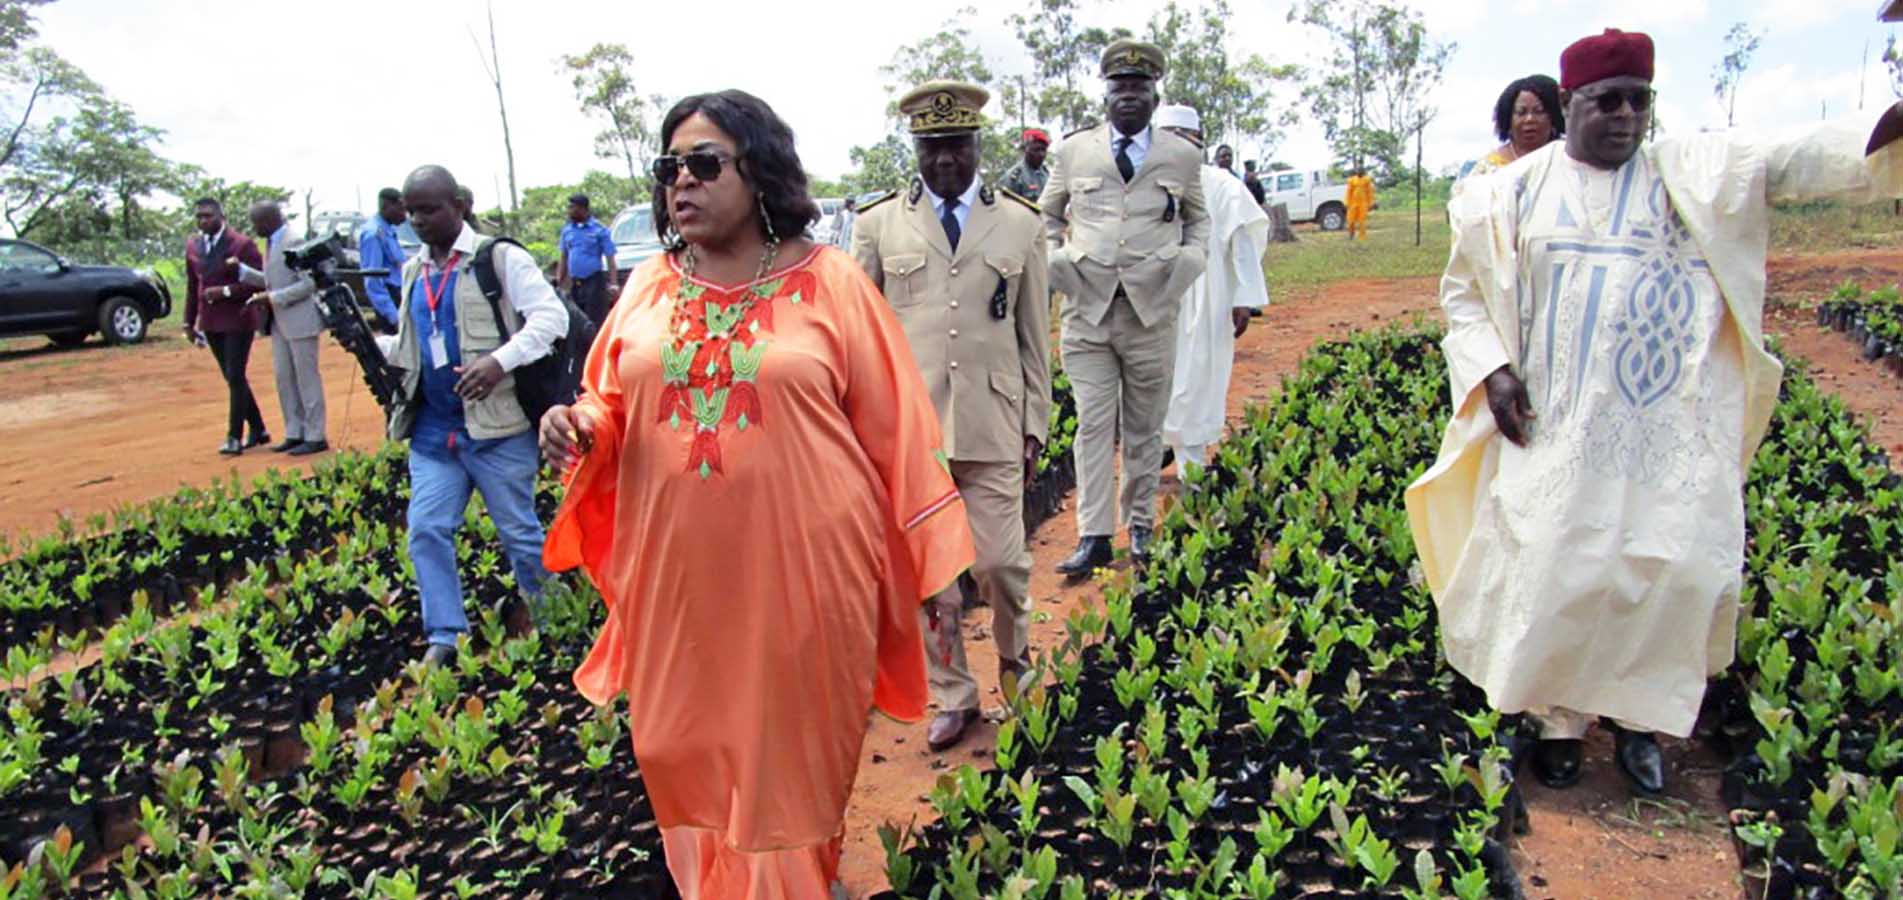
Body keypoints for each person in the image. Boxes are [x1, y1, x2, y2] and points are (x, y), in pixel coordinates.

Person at [1406, 28, 1903, 796]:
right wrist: (1492, 371)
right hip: (1555, 423)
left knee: (1665, 567)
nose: (1626, 118)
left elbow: (1795, 158)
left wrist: (1889, 122)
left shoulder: (1694, 173)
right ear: (1570, 103)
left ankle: (1639, 726)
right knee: (1552, 566)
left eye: (1640, 101)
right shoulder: (1506, 192)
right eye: (1607, 102)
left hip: (1670, 425)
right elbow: (1464, 294)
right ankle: (1558, 722)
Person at [538, 89, 973, 898]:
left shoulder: (832, 281)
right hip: (676, 583)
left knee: (783, 765)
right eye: (670, 168)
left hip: (804, 577)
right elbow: (611, 396)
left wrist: (933, 567)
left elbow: (900, 432)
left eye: (704, 164)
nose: (682, 184)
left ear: (760, 172)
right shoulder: (648, 285)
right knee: (672, 748)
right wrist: (580, 422)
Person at [850, 80, 1052, 754]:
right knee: (932, 581)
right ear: (916, 148)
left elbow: (1033, 338)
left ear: (976, 147)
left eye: (956, 146)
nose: (944, 161)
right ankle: (953, 695)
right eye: (931, 147)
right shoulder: (877, 225)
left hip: (994, 423)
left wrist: (1035, 425)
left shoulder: (1021, 224)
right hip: (911, 435)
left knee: (1000, 565)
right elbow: (860, 338)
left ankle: (1016, 673)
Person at [386, 164, 566, 667]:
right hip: (434, 434)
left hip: (497, 430)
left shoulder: (498, 259)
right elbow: (413, 344)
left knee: (520, 533)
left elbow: (551, 318)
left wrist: (497, 361)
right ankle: (445, 635)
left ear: (458, 206)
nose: (419, 220)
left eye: (430, 209)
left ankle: (557, 623)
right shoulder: (413, 271)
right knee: (425, 529)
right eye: (412, 211)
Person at [1040, 39, 1208, 575]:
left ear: (1155, 97)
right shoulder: (1073, 151)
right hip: (1086, 310)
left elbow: (1198, 221)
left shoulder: (1181, 155)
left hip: (1151, 310)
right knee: (1091, 424)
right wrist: (1058, 264)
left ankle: (1138, 526)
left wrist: (1187, 263)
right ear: (1106, 94)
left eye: (1140, 87)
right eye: (1120, 88)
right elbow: (1046, 216)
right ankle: (1092, 536)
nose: (1129, 96)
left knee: (1143, 426)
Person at [1155, 105, 1268, 471]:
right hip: (1155, 300)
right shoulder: (1143, 185)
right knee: (1154, 381)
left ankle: (1192, 469)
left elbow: (1243, 242)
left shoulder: (1222, 185)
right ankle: (1159, 453)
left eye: (1184, 140)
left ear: (1198, 143)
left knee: (1197, 380)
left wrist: (1244, 299)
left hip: (1207, 297)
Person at [183, 197, 271, 455]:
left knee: (235, 375)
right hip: (210, 321)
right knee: (233, 377)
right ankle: (258, 427)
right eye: (198, 216)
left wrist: (225, 291)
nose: (202, 221)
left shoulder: (241, 245)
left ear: (221, 216)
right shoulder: (193, 246)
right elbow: (192, 286)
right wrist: (189, 321)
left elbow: (260, 282)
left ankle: (234, 436)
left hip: (238, 318)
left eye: (208, 216)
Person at [239, 200, 327, 456]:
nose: (254, 228)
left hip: (300, 320)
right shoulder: (271, 243)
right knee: (284, 379)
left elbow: (309, 284)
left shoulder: (293, 241)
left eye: (256, 223)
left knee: (306, 379)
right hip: (279, 323)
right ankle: (294, 431)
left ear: (269, 220)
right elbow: (273, 279)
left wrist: (272, 298)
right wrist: (243, 273)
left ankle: (316, 434)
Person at [1457, 74, 1565, 181]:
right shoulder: (1488, 170)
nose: (1529, 119)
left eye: (1539, 111)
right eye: (1521, 112)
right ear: (1507, 118)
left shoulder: (1569, 160)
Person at [557, 193, 619, 327]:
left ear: (582, 209)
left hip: (594, 282)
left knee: (595, 319)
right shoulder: (567, 231)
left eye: (572, 207)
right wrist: (559, 281)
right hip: (575, 284)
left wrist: (613, 284)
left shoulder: (599, 230)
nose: (569, 211)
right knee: (577, 320)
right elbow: (563, 257)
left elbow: (610, 258)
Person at [356, 188, 407, 333]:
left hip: (399, 295)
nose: (405, 214)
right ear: (386, 206)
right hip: (390, 302)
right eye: (401, 209)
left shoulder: (388, 230)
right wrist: (394, 317)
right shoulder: (373, 235)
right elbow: (373, 281)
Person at [1001, 128, 1051, 200]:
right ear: (1025, 149)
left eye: (1043, 150)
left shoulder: (1046, 174)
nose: (1041, 154)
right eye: (1036, 149)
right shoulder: (1014, 177)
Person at [1344, 168, 1374, 240]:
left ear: (1363, 172)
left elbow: (1369, 193)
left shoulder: (1367, 180)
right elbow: (1348, 192)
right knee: (1350, 220)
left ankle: (1362, 236)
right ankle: (1351, 235)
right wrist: (1346, 202)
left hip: (1363, 203)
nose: (1359, 172)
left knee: (1362, 221)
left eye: (1361, 171)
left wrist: (1370, 203)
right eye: (1358, 171)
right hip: (1352, 203)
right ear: (1356, 172)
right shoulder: (1352, 180)